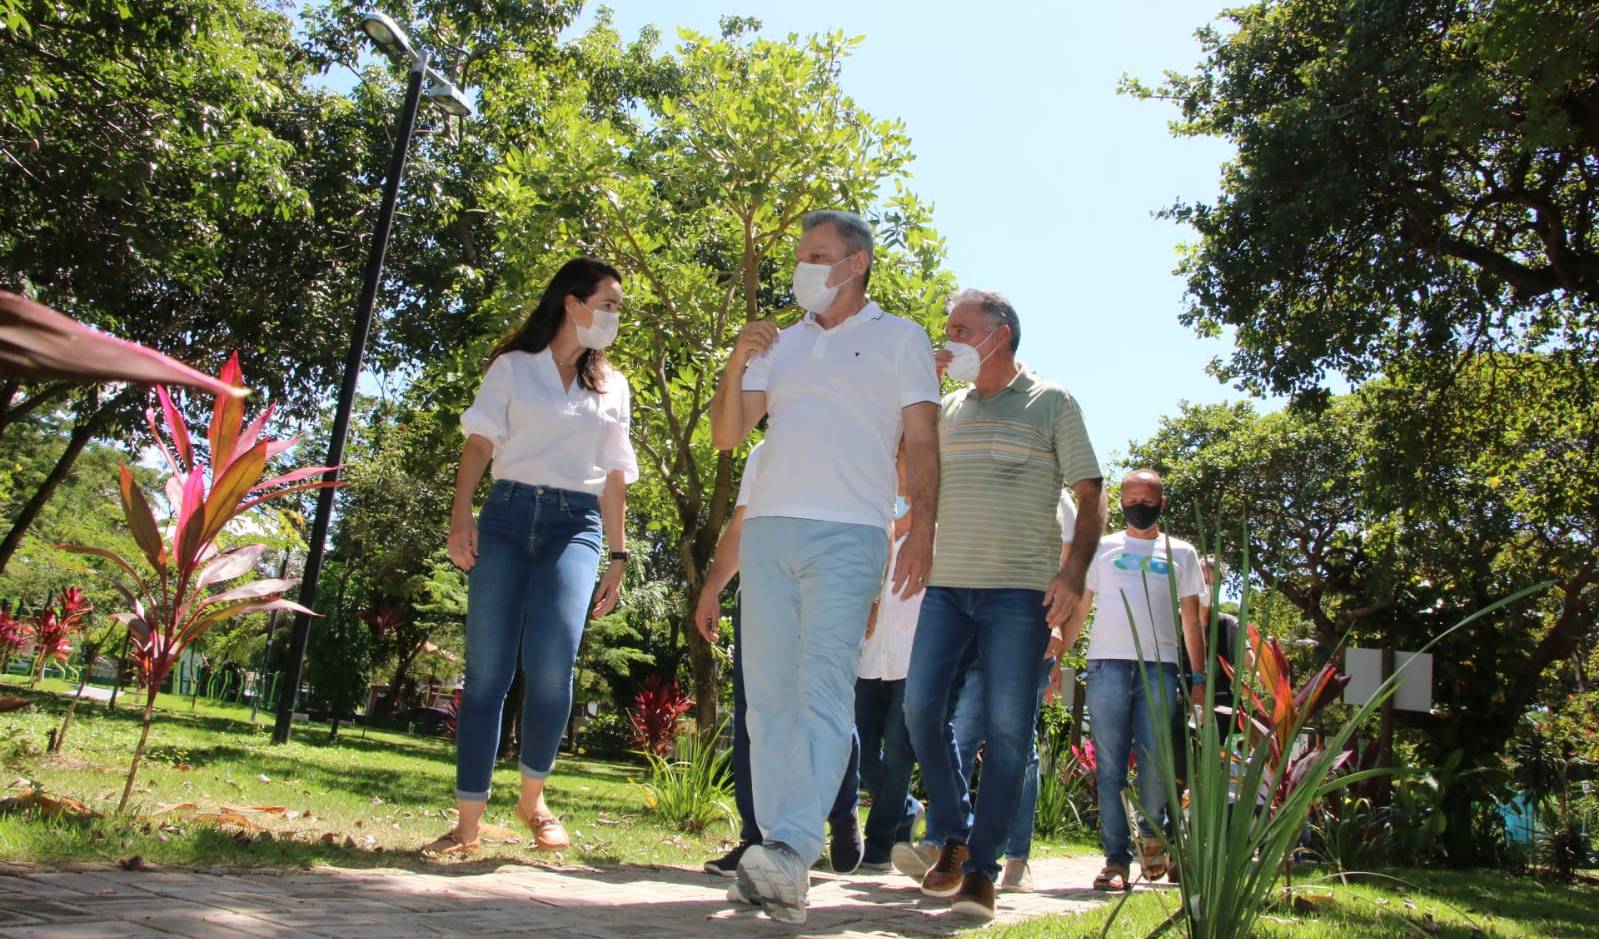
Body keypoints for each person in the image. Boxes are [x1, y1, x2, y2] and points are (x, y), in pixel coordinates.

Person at [709, 210, 941, 925]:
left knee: (821, 687)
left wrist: (924, 529)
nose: (803, 264)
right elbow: (726, 433)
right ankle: (779, 850)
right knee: (765, 698)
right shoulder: (780, 344)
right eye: (800, 254)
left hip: (851, 533)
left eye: (818, 254)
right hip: (771, 530)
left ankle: (791, 845)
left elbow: (924, 445)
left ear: (857, 263)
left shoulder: (901, 338)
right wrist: (735, 361)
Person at [424, 257, 637, 858]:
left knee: (552, 665)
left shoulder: (613, 386)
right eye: (610, 304)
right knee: (488, 671)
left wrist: (617, 557)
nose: (616, 317)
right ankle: (467, 823)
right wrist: (460, 514)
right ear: (573, 304)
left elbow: (616, 478)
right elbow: (480, 443)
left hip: (577, 525)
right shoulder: (514, 368)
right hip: (509, 516)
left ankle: (532, 800)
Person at [902, 289, 1104, 921]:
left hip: (1020, 594)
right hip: (946, 588)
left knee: (1010, 730)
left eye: (960, 329)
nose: (949, 338)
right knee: (919, 711)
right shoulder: (948, 408)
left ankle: (982, 872)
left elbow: (1090, 492)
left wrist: (1073, 575)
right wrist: (920, 395)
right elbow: (908, 479)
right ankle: (956, 832)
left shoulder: (1053, 402)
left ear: (1001, 334)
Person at [896, 491, 1079, 894]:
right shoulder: (970, 472)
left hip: (1024, 624)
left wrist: (1059, 628)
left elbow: (1068, 570)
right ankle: (948, 841)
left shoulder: (1057, 499)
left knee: (1015, 742)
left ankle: (1014, 856)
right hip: (967, 620)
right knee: (951, 732)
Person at [1053, 468, 1208, 892]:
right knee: (1110, 767)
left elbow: (1191, 620)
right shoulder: (1102, 549)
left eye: (1147, 499)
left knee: (1157, 762)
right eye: (1131, 499)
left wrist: (1198, 678)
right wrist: (1058, 654)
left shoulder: (1182, 554)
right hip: (1106, 667)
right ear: (1120, 503)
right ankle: (1116, 860)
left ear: (1162, 503)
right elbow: (1080, 608)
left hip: (1160, 670)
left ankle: (1152, 837)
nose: (1139, 506)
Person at [830, 445, 926, 873]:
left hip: (912, 657)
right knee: (860, 751)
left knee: (900, 754)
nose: (899, 460)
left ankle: (882, 842)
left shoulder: (933, 525)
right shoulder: (869, 510)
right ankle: (906, 809)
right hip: (865, 657)